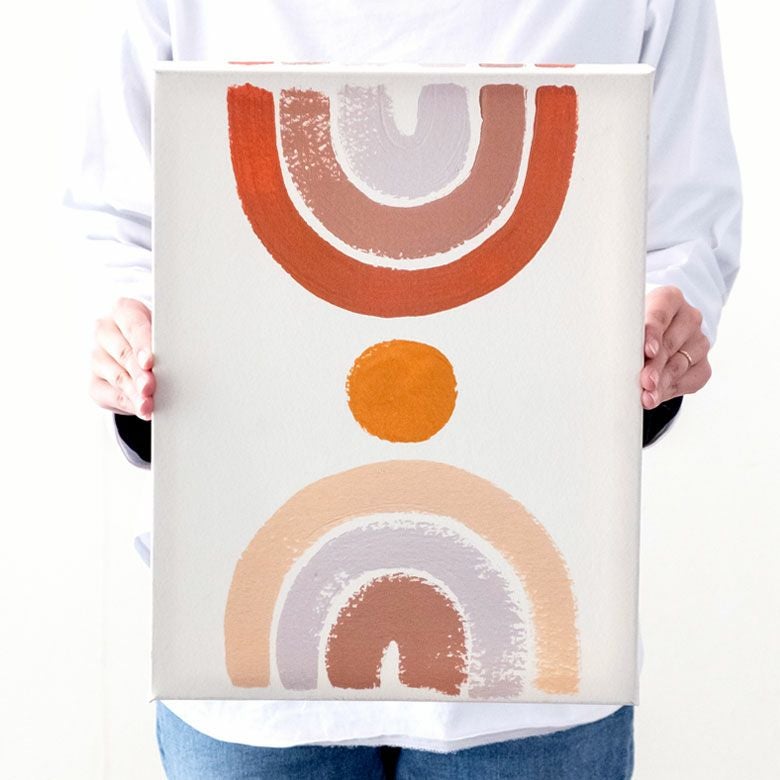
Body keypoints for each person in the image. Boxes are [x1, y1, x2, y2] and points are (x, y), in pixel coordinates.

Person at [65, 0, 741, 777]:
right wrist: (130, 341)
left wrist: (663, 338)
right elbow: (118, 218)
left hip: (539, 655)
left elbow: (683, 220)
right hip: (245, 640)